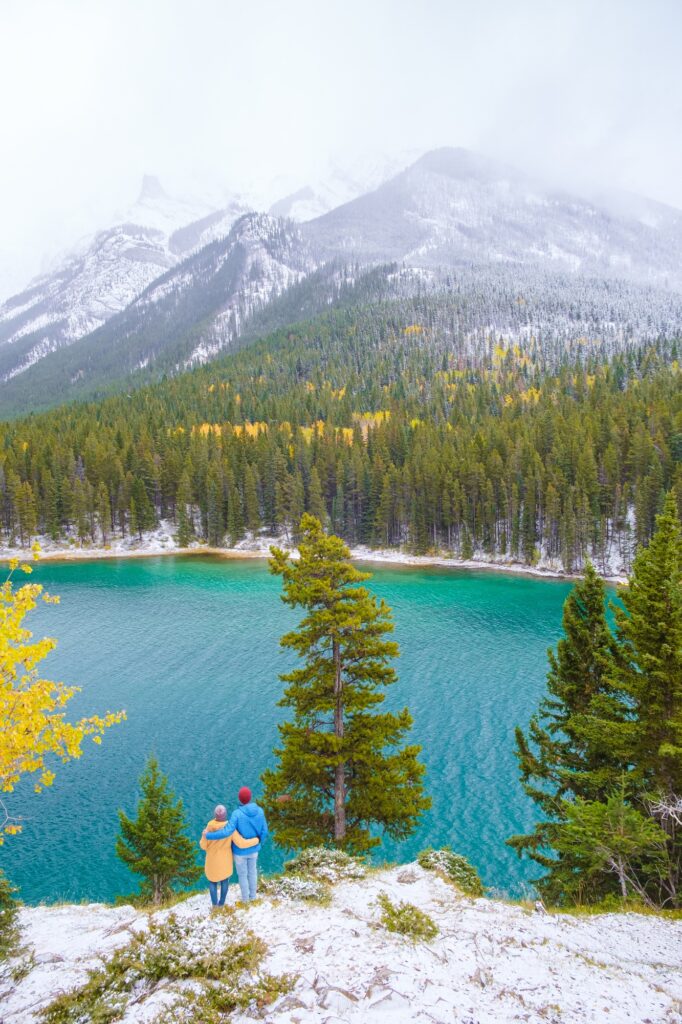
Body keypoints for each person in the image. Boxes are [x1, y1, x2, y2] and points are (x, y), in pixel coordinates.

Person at [202, 787, 268, 902]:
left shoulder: (237, 814)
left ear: (239, 798)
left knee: (242, 875)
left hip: (240, 853)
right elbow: (265, 831)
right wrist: (259, 841)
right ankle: (253, 897)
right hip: (254, 850)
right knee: (252, 873)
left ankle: (245, 900)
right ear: (250, 797)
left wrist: (208, 836)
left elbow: (227, 831)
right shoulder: (260, 811)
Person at [199, 803, 258, 907]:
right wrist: (256, 840)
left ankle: (214, 905)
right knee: (224, 881)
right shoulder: (230, 829)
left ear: (215, 815)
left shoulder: (209, 827)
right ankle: (221, 903)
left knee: (212, 883)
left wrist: (204, 836)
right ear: (225, 815)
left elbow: (203, 846)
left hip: (212, 862)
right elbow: (241, 843)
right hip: (225, 862)